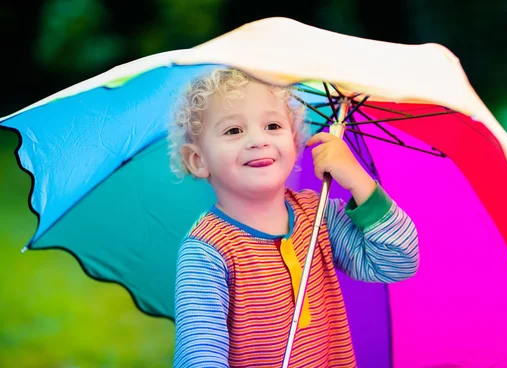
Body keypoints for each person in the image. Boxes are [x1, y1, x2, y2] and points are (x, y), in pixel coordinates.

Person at [168, 67, 419, 368]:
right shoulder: (207, 250)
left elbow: (398, 260)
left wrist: (358, 180)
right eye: (234, 131)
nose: (258, 140)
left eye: (272, 126)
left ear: (296, 140)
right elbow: (200, 354)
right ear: (198, 160)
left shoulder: (319, 216)